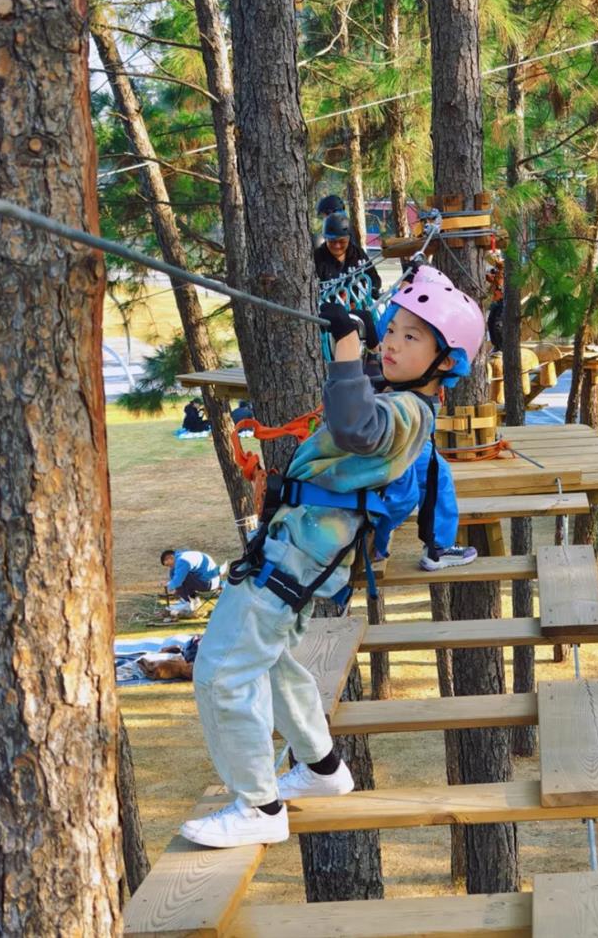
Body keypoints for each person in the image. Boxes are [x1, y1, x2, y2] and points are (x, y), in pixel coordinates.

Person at [179, 265, 484, 849]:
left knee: (221, 673)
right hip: (297, 552)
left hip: (295, 560)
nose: (393, 342)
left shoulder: (406, 415)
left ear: (446, 363)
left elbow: (354, 427)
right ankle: (322, 769)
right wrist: (363, 343)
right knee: (271, 661)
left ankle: (257, 807)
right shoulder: (405, 400)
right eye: (393, 329)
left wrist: (348, 348)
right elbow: (363, 399)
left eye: (412, 337)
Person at [313, 211, 382, 297]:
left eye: (342, 241)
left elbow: (374, 279)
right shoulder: (318, 258)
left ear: (349, 238)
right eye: (332, 241)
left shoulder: (358, 254)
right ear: (325, 239)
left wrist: (371, 290)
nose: (337, 246)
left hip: (357, 306)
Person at [161, 548, 222, 614]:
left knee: (180, 576)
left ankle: (188, 603)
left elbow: (177, 582)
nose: (169, 566)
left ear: (171, 557)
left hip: (208, 583)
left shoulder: (182, 561)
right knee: (175, 572)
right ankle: (193, 600)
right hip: (213, 580)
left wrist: (168, 585)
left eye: (168, 564)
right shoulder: (184, 554)